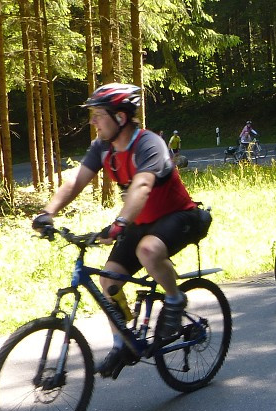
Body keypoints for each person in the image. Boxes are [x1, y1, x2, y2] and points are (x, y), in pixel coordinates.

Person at [32, 83, 205, 378]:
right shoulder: (103, 148)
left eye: (99, 115)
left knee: (148, 250)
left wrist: (120, 223)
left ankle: (175, 299)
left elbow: (142, 185)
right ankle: (122, 342)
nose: (93, 122)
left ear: (121, 118)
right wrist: (48, 213)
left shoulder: (149, 144)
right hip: (141, 222)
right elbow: (76, 182)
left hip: (180, 216)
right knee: (109, 282)